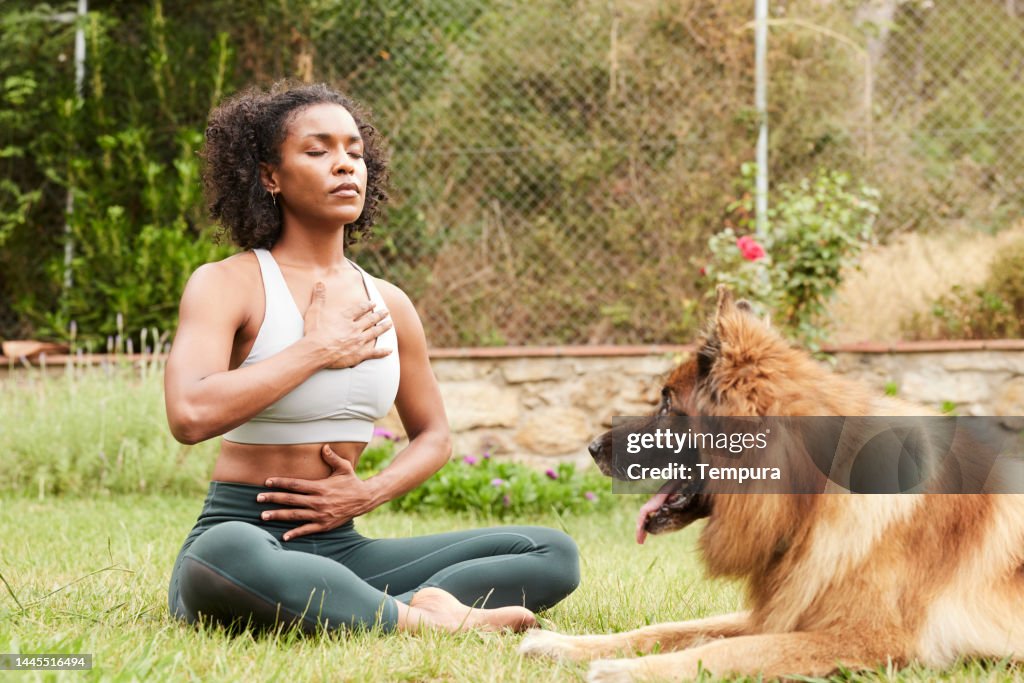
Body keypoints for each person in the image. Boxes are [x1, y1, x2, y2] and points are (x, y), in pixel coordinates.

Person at [164, 82, 579, 634]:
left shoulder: (390, 303)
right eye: (318, 152)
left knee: (551, 552)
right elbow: (189, 415)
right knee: (224, 554)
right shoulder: (227, 283)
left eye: (354, 153)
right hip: (248, 531)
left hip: (342, 548)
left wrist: (367, 492)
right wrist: (316, 349)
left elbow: (434, 435)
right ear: (270, 176)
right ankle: (418, 618)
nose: (344, 167)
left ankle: (364, 609)